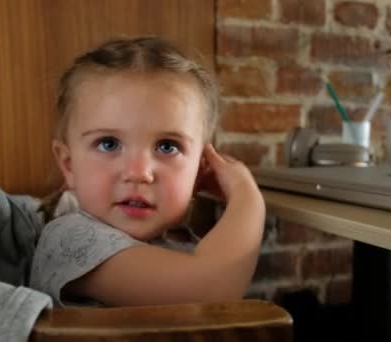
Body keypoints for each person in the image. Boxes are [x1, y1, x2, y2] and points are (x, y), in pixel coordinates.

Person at [29, 37, 266, 307]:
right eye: (109, 144)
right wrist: (247, 196)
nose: (139, 173)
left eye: (167, 146)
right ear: (69, 165)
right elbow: (210, 291)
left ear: (201, 169)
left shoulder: (187, 244)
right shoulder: (70, 239)